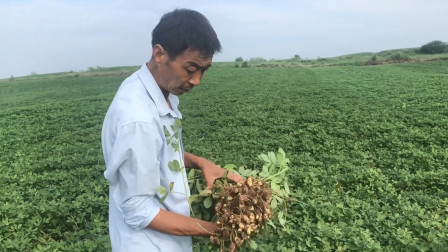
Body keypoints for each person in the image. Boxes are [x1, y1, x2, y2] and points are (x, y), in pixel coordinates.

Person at [101, 8, 242, 252]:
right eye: (191, 69)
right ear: (160, 53)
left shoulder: (159, 91)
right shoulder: (138, 119)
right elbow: (139, 212)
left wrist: (200, 162)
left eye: (204, 70)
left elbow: (158, 153)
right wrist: (218, 229)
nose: (197, 80)